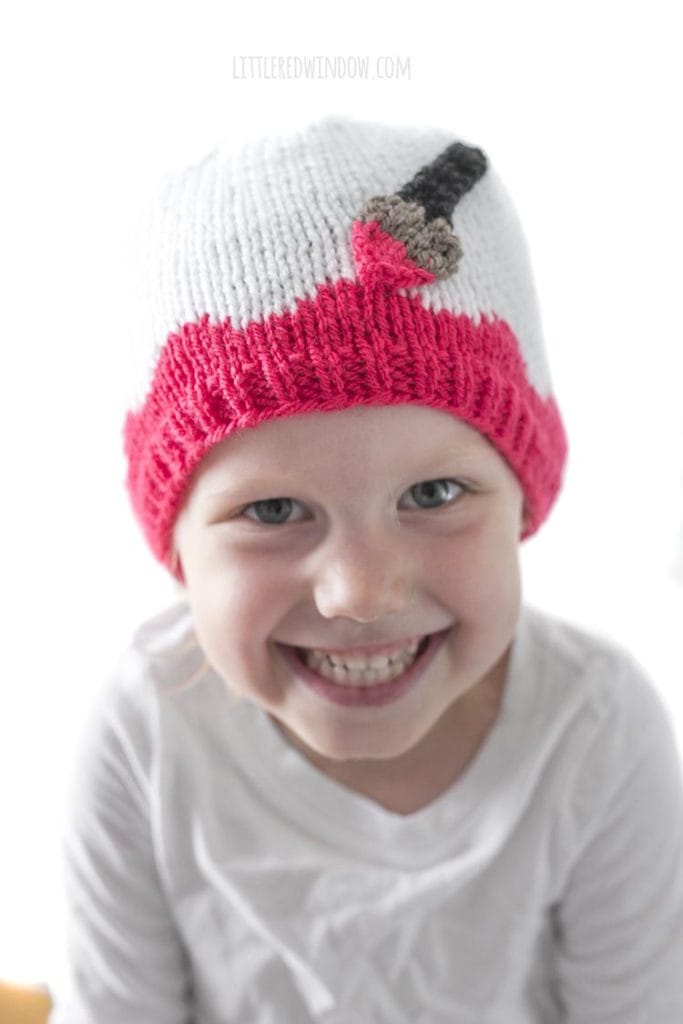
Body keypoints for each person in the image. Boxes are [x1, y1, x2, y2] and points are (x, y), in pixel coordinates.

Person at [48, 116, 683, 1023]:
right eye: (271, 511)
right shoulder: (145, 731)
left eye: (432, 494)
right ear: (179, 545)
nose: (359, 593)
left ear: (522, 500)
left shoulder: (594, 728)